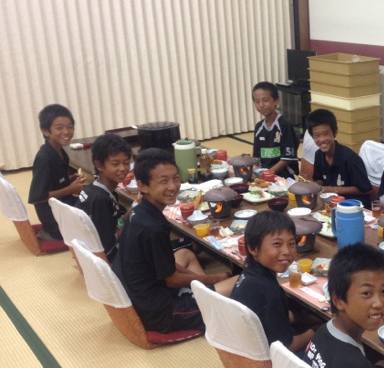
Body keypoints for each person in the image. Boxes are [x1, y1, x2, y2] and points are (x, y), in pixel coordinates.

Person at [113, 148, 237, 334]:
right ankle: (210, 303)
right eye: (164, 181)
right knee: (239, 280)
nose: (172, 187)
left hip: (139, 294)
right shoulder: (152, 227)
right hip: (162, 312)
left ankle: (208, 296)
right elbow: (172, 280)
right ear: (143, 186)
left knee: (186, 254)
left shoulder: (139, 211)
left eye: (176, 179)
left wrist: (203, 282)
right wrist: (211, 278)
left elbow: (165, 265)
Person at [230, 211, 314, 353]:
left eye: (291, 243)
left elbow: (269, 316)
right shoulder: (269, 291)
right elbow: (286, 347)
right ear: (253, 248)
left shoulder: (249, 273)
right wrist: (316, 330)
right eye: (277, 244)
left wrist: (302, 317)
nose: (287, 251)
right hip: (269, 357)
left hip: (248, 345)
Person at [28, 104, 87, 240]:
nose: (66, 132)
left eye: (70, 127)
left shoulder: (60, 151)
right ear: (45, 131)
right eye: (59, 128)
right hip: (54, 219)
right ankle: (48, 234)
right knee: (97, 216)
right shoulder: (44, 158)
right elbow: (37, 197)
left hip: (63, 205)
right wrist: (70, 189)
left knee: (96, 203)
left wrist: (71, 179)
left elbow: (54, 181)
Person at [75, 134, 132, 262]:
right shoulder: (100, 200)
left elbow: (116, 223)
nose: (123, 169)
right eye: (115, 164)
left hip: (90, 250)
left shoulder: (92, 189)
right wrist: (130, 225)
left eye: (126, 163)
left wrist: (135, 206)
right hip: (109, 258)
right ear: (99, 165)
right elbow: (108, 248)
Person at [306, 108, 373, 208]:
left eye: (326, 134)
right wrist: (313, 186)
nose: (322, 139)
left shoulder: (350, 158)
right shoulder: (319, 155)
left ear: (335, 133)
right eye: (317, 136)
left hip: (354, 206)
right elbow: (319, 179)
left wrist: (333, 189)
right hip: (331, 204)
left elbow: (366, 189)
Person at [251, 81, 299, 178]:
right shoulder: (258, 127)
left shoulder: (284, 125)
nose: (261, 105)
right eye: (257, 101)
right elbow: (256, 158)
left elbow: (287, 158)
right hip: (264, 174)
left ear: (276, 101)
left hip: (283, 176)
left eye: (265, 100)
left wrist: (268, 174)